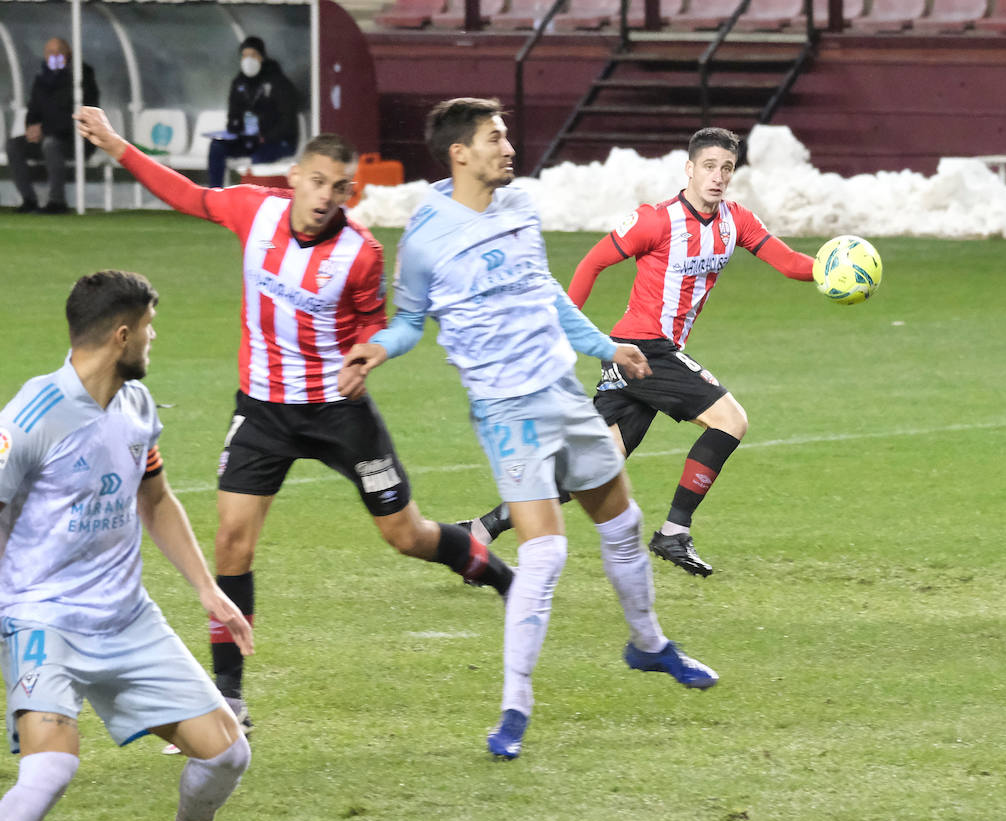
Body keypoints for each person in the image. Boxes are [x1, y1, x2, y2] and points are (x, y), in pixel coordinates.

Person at [74, 107, 512, 742]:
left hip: (338, 412)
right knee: (231, 542)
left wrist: (367, 353)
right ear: (295, 178)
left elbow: (372, 320)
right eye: (317, 183)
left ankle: (497, 574)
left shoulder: (360, 252)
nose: (326, 199)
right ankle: (230, 690)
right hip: (264, 411)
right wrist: (117, 145)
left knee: (407, 534)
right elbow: (187, 194)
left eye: (340, 189)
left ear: (349, 194)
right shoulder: (254, 212)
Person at [340, 97, 718, 760]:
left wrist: (606, 346)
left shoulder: (520, 208)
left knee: (623, 526)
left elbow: (546, 293)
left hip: (563, 394)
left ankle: (649, 644)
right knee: (545, 552)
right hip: (506, 413)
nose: (508, 147)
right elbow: (409, 320)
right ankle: (515, 706)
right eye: (495, 137)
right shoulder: (425, 235)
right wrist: (380, 347)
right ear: (461, 153)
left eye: (506, 135)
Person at [463, 126, 817, 578]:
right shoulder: (655, 220)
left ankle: (481, 528)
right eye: (709, 166)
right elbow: (593, 262)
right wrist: (563, 325)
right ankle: (675, 530)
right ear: (689, 169)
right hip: (644, 349)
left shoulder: (736, 221)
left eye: (726, 168)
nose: (718, 177)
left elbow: (788, 263)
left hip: (641, 355)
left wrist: (829, 271)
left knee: (589, 470)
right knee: (731, 421)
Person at [0, 270, 270, 821]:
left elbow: (155, 497)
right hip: (43, 620)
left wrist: (207, 588)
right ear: (122, 335)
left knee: (227, 752)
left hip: (126, 620)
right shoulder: (30, 417)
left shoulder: (136, 403)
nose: (155, 339)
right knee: (48, 774)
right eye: (150, 327)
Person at [5, 37, 98, 214]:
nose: (53, 57)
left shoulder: (81, 77)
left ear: (67, 54)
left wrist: (45, 129)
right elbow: (33, 110)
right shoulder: (42, 80)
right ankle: (28, 200)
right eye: (49, 53)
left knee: (51, 145)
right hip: (48, 136)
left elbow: (77, 115)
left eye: (58, 53)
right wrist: (32, 127)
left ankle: (57, 202)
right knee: (14, 145)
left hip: (76, 140)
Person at [207, 37, 299, 189]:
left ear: (262, 57)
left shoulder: (279, 83)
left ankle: (255, 198)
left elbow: (288, 123)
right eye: (245, 55)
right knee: (217, 147)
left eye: (253, 55)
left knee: (259, 157)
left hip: (277, 141)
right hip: (249, 140)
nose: (248, 60)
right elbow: (233, 115)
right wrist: (234, 128)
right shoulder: (239, 83)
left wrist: (266, 136)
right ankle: (213, 194)